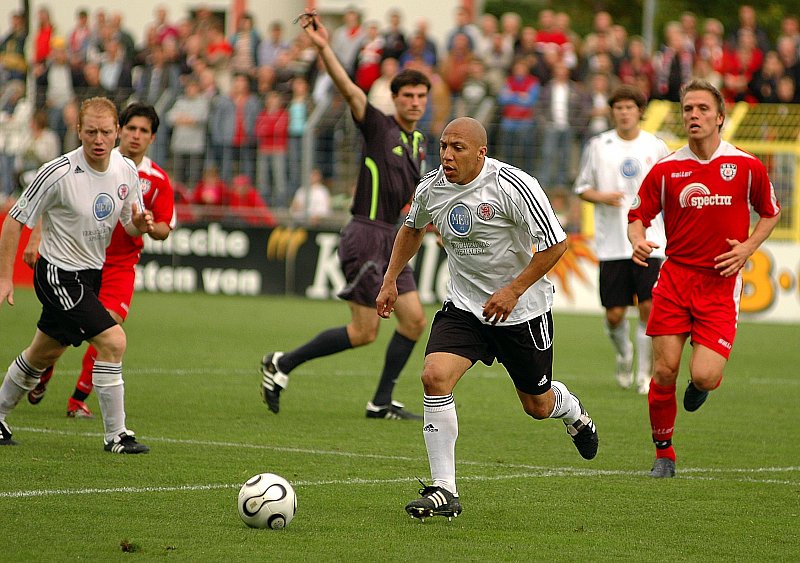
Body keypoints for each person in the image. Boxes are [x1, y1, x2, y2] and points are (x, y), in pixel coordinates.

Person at [376, 117, 598, 520]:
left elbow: (556, 245)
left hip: (521, 312)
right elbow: (412, 228)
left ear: (481, 152)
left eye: (457, 147)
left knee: (537, 404)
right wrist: (390, 279)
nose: (447, 154)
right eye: (443, 145)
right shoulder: (431, 187)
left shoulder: (515, 186)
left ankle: (571, 410)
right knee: (434, 375)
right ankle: (444, 490)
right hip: (465, 307)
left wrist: (513, 290)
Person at [260, 11, 431, 420]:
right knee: (363, 332)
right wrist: (323, 47)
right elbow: (349, 88)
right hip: (366, 237)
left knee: (413, 322)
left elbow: (413, 198)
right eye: (407, 96)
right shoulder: (378, 125)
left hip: (393, 239)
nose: (414, 102)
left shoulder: (420, 142)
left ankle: (380, 401)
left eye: (421, 96)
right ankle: (281, 363)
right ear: (395, 98)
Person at [628, 79, 781, 478]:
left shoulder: (747, 166)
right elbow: (637, 214)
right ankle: (664, 452)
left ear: (719, 118)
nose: (693, 115)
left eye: (701, 109)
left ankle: (700, 387)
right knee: (663, 371)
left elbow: (770, 212)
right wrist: (638, 240)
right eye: (687, 109)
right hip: (675, 279)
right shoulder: (667, 168)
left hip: (719, 284)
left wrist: (747, 248)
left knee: (705, 375)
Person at [0, 97, 154, 452]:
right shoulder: (57, 173)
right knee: (114, 341)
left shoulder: (126, 170)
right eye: (90, 132)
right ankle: (117, 435)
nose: (98, 140)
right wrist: (5, 277)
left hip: (90, 276)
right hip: (57, 274)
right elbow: (13, 220)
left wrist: (140, 225)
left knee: (42, 354)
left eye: (105, 132)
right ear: (78, 131)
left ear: (117, 132)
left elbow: (130, 226)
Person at [25, 102, 176, 418]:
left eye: (143, 131)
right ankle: (43, 369)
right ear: (121, 130)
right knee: (68, 333)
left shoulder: (156, 179)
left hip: (120, 266)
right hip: (79, 261)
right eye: (131, 128)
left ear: (152, 138)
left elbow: (163, 227)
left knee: (107, 331)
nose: (136, 136)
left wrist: (148, 226)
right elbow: (54, 203)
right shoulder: (93, 161)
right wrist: (36, 238)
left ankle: (78, 398)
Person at [574, 85, 669, 394]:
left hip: (649, 240)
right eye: (619, 107)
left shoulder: (655, 147)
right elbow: (582, 187)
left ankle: (644, 375)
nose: (625, 112)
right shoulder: (599, 146)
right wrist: (600, 196)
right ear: (612, 112)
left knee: (648, 308)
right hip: (612, 242)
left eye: (630, 107)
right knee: (615, 315)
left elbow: (670, 189)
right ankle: (623, 354)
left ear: (639, 111)